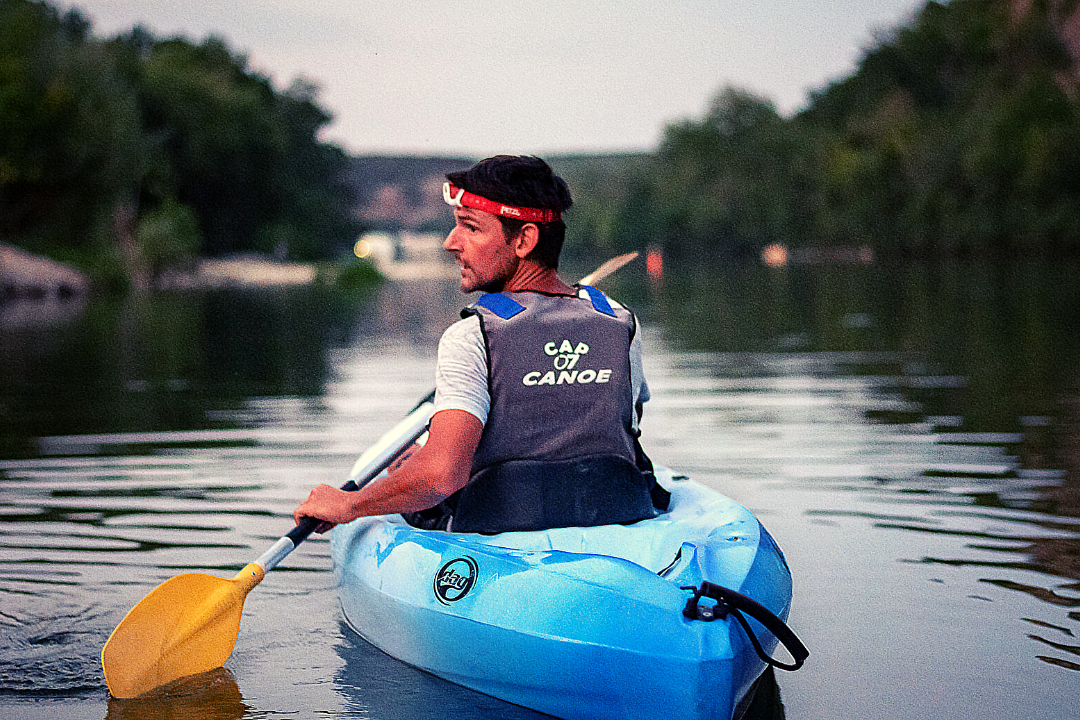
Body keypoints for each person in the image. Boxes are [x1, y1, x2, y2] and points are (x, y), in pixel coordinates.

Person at [294, 155, 667, 535]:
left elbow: (442, 476)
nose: (450, 243)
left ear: (524, 240)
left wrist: (350, 504)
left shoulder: (472, 335)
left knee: (415, 468)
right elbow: (614, 427)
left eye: (470, 228)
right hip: (617, 513)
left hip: (504, 525)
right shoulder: (620, 321)